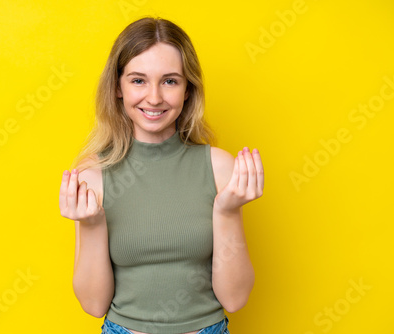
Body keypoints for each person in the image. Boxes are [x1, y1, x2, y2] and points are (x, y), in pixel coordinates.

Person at [59, 16, 264, 334]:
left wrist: (228, 210)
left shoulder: (220, 168)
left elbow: (235, 299)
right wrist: (91, 223)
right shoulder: (92, 176)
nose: (154, 97)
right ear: (117, 87)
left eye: (170, 81)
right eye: (138, 80)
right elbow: (93, 305)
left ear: (187, 90)